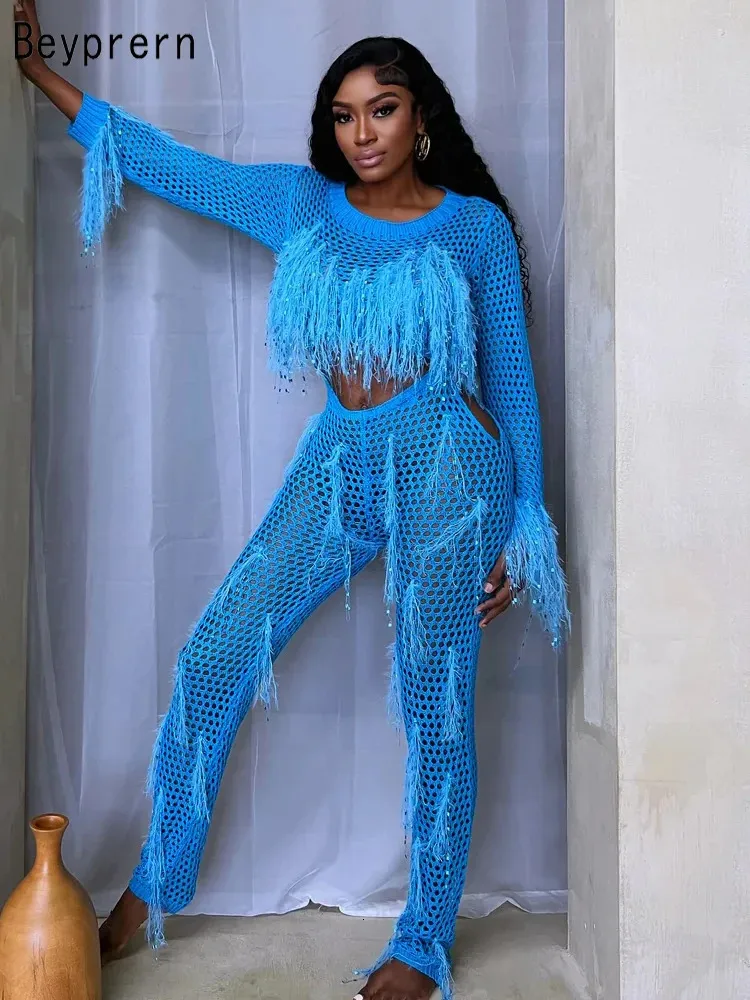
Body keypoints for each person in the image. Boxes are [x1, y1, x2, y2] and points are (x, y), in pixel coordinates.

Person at [15, 4, 570, 998]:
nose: (363, 133)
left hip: (452, 471)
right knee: (217, 652)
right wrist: (44, 79)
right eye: (346, 115)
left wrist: (524, 529)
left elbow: (515, 383)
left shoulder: (474, 227)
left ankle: (422, 943)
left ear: (420, 117)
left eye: (383, 110)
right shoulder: (305, 205)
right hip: (341, 461)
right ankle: (152, 886)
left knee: (434, 706)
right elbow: (176, 167)